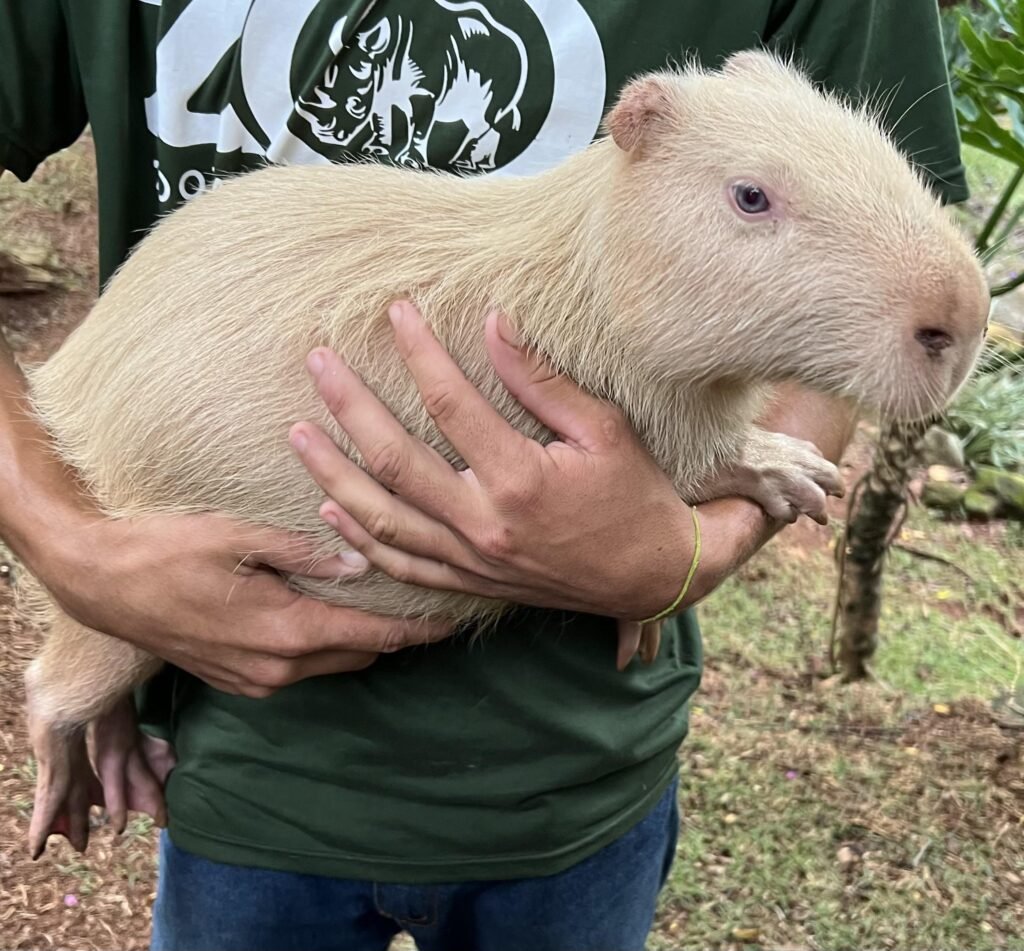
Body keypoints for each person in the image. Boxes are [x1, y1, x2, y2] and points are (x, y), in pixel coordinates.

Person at [0, 2, 969, 949]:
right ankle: (74, 683)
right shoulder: (605, 271)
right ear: (637, 134)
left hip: (576, 787)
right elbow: (106, 493)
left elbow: (716, 408)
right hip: (238, 774)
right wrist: (70, 551)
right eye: (750, 201)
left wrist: (687, 551)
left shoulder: (656, 324)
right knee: (111, 609)